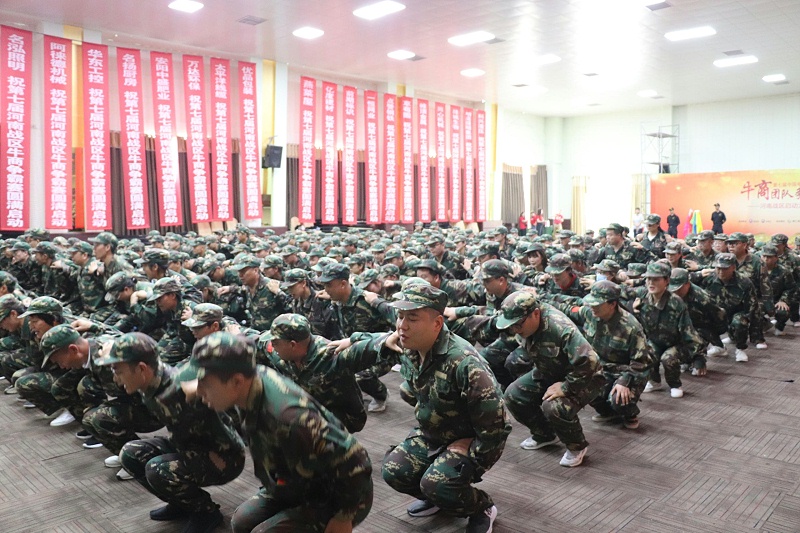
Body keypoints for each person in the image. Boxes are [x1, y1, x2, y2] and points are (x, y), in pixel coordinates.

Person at [176, 332, 374, 533]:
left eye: (205, 384)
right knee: (241, 523)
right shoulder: (249, 379)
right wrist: (200, 384)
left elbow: (357, 461)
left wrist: (343, 517)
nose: (199, 391)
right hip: (292, 480)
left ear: (236, 382)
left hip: (340, 494)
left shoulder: (290, 419)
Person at [379, 284, 509, 532]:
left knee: (438, 484)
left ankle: (481, 507)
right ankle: (439, 499)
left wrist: (474, 449)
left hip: (473, 438)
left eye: (412, 318)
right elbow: (375, 340)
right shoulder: (412, 346)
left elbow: (497, 424)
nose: (401, 326)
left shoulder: (464, 363)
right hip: (434, 431)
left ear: (437, 323)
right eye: (400, 316)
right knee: (394, 470)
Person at [97, 332, 246, 533]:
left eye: (119, 372)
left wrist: (202, 386)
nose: (116, 379)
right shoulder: (148, 381)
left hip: (222, 456)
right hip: (186, 444)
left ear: (141, 369)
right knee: (131, 453)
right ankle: (182, 502)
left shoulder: (180, 389)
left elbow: (231, 403)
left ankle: (206, 512)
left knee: (158, 469)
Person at [497, 291, 603, 467]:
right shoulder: (525, 324)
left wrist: (566, 387)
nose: (515, 330)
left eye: (518, 324)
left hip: (584, 377)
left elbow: (590, 362)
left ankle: (576, 446)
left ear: (535, 314)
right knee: (513, 395)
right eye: (511, 326)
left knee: (553, 406)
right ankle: (545, 434)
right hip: (550, 370)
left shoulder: (560, 328)